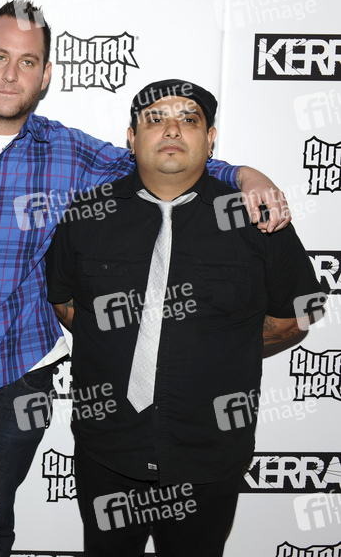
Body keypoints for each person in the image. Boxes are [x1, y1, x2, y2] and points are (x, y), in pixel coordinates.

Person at [0, 0, 292, 556]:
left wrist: (243, 174)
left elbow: (163, 160)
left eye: (28, 62)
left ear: (47, 75)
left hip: (17, 373)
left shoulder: (71, 151)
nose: (11, 74)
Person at [45, 79, 320, 556]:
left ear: (210, 138)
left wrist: (220, 348)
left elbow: (293, 318)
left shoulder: (255, 218)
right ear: (131, 137)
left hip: (208, 455)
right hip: (108, 450)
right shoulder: (87, 215)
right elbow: (67, 306)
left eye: (188, 120)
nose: (171, 129)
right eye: (155, 119)